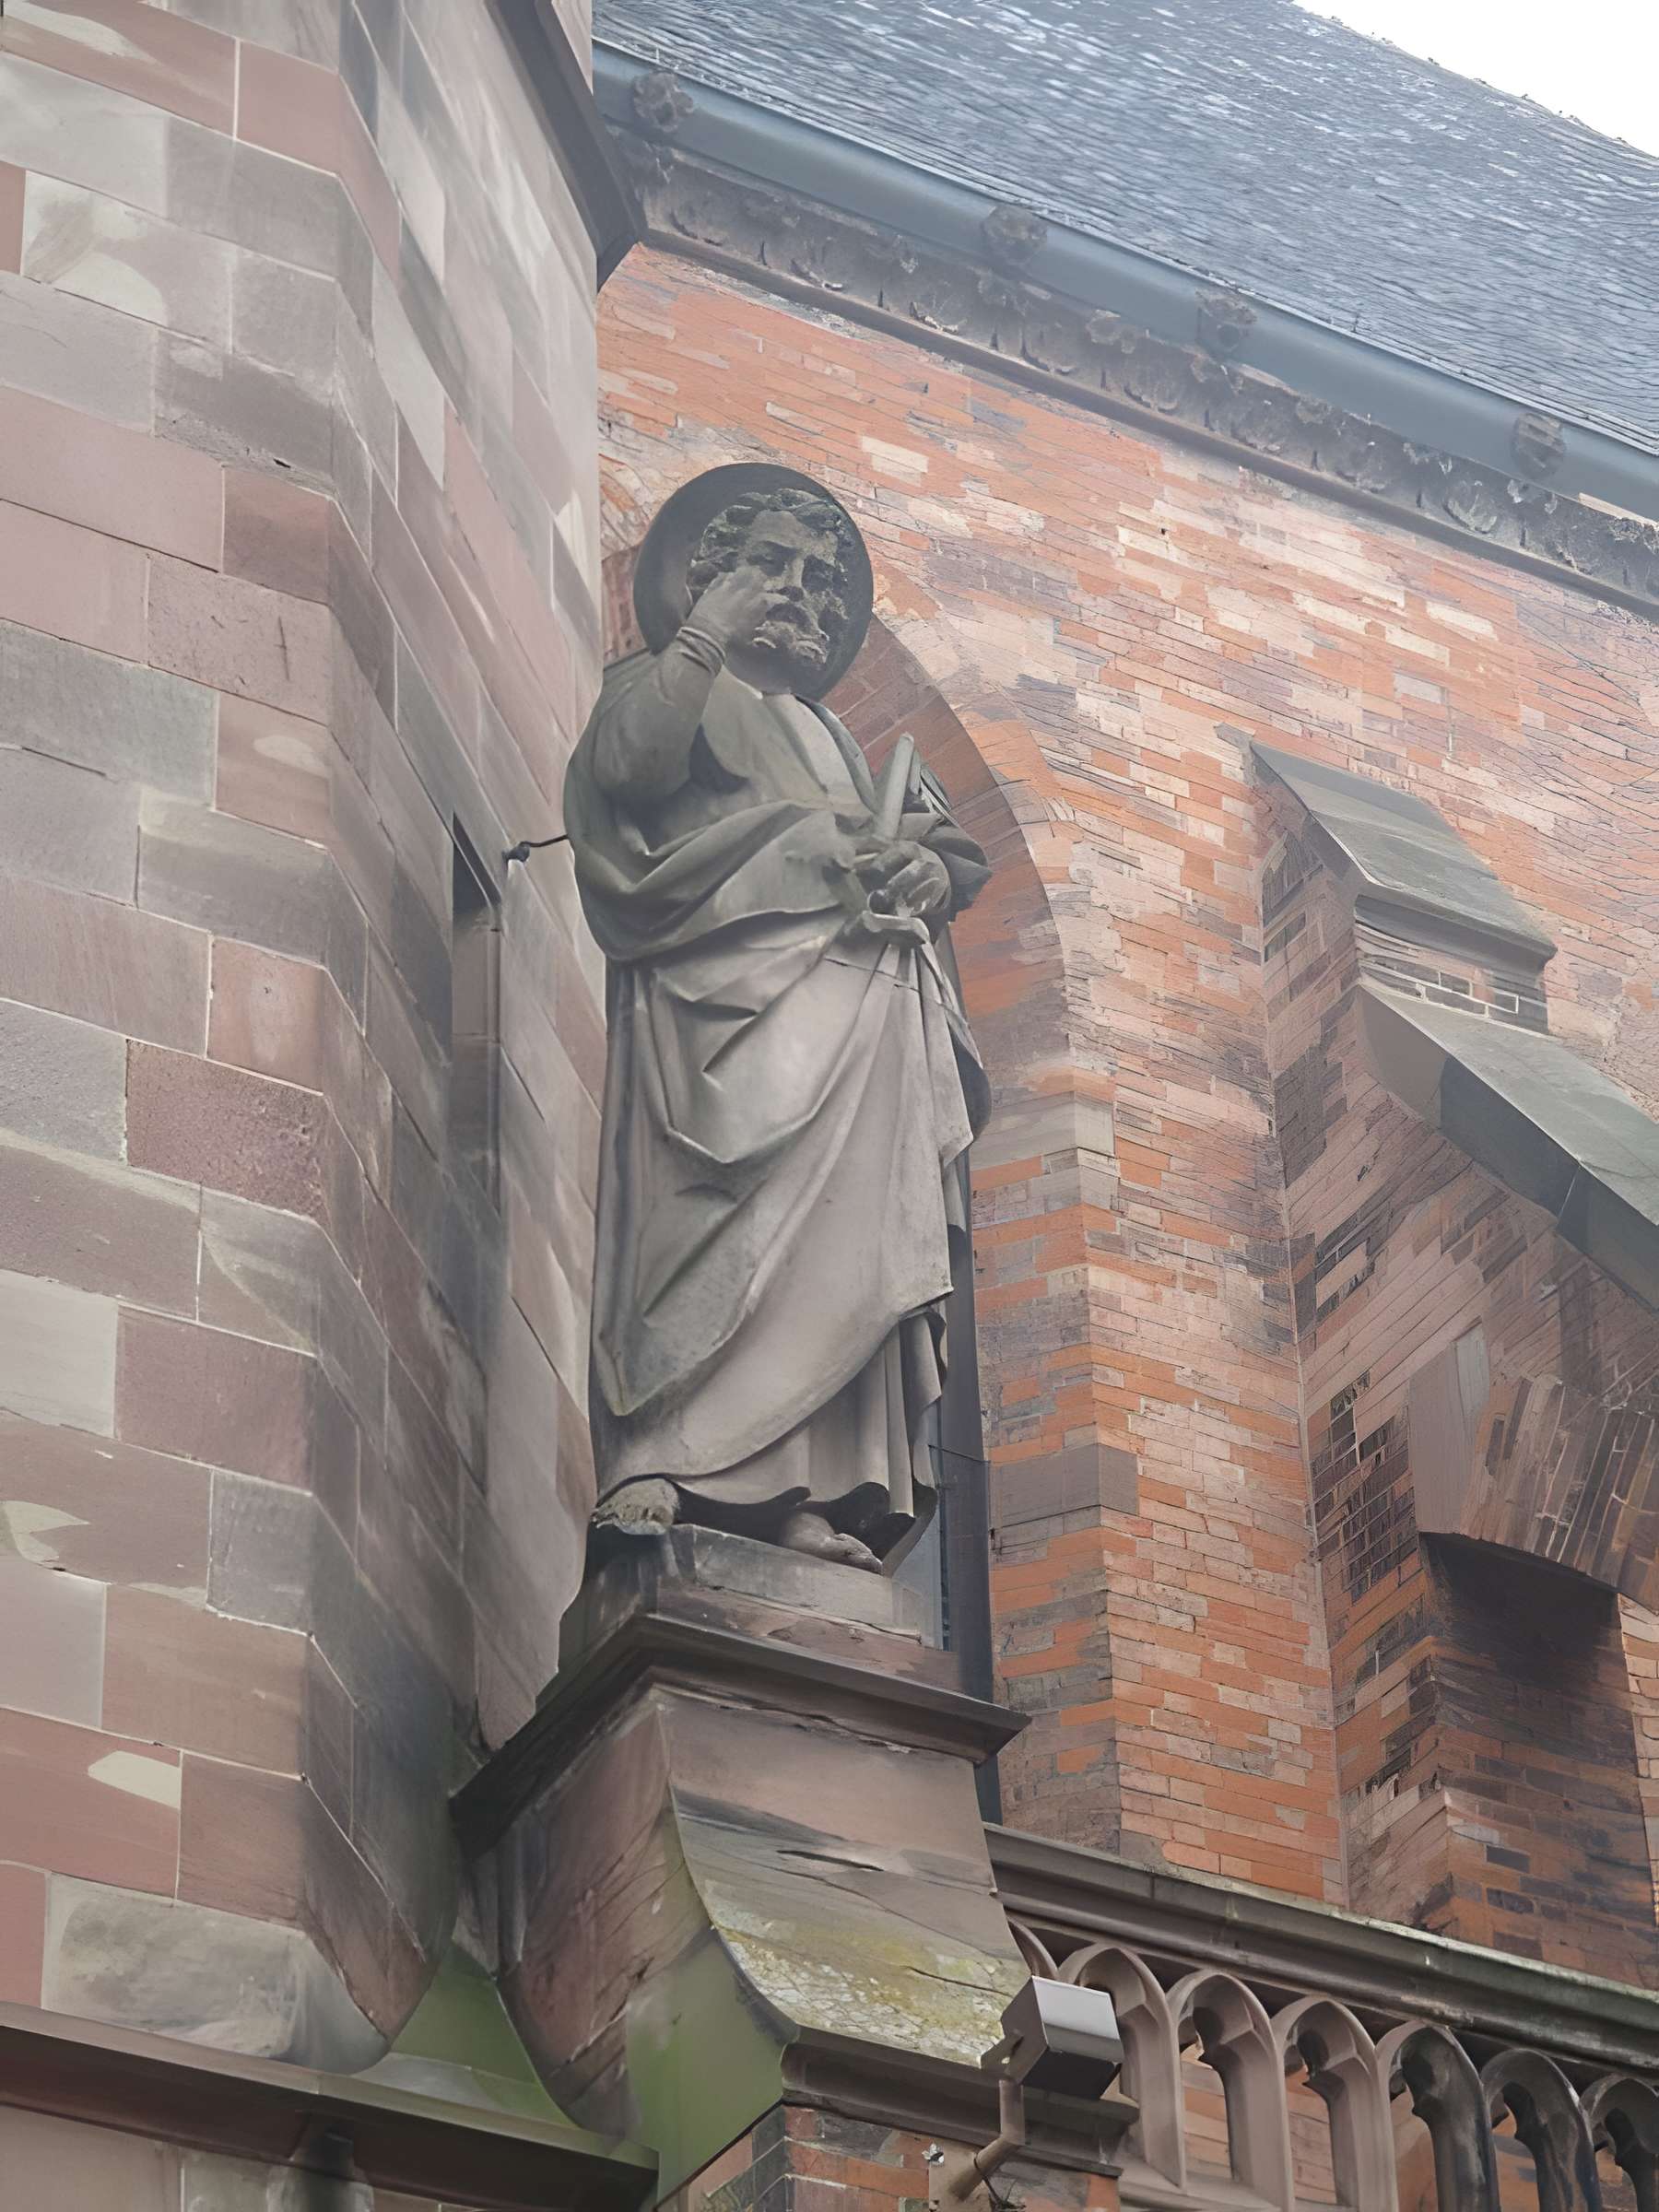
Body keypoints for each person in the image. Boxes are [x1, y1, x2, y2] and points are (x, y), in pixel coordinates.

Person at [563, 465, 990, 1570]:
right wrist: (702, 637)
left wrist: (925, 879)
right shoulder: (663, 682)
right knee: (706, 1225)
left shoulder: (833, 737)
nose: (798, 592)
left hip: (855, 1018)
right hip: (718, 1022)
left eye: (816, 578)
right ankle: (661, 1454)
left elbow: (945, 851)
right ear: (709, 574)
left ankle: (804, 1492)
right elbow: (630, 766)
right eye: (770, 564)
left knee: (842, 1248)